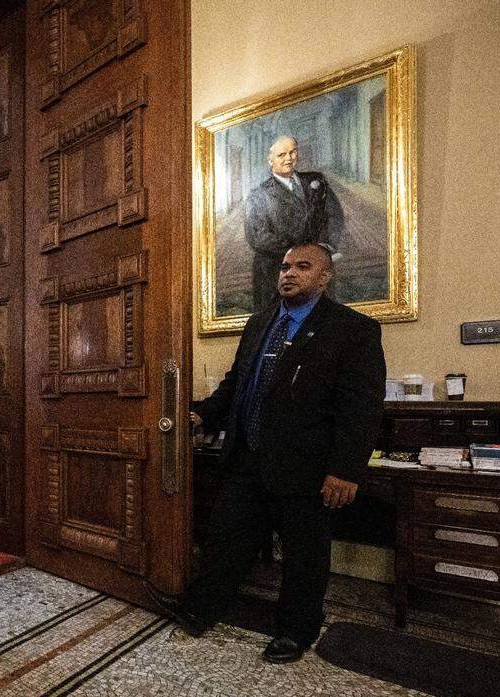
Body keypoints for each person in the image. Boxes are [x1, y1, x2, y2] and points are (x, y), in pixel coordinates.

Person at [151, 242, 385, 664]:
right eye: (284, 266)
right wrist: (202, 416)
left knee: (304, 556)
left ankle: (297, 630)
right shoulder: (260, 323)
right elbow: (237, 384)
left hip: (307, 469)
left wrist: (345, 470)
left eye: (302, 266)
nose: (289, 273)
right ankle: (200, 609)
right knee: (225, 541)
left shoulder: (352, 330)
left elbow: (361, 410)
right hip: (247, 460)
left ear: (325, 277)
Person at [245, 136, 345, 312]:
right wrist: (302, 253)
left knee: (323, 321)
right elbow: (257, 237)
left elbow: (334, 214)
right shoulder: (259, 195)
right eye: (281, 155)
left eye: (292, 152)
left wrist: (325, 246)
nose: (289, 158)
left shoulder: (316, 180)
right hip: (277, 271)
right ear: (270, 161)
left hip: (318, 267)